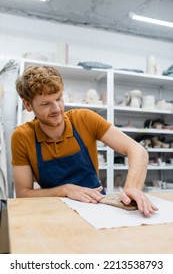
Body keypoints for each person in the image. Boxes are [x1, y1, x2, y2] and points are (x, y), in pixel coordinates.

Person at [11, 65, 158, 217]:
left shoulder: (84, 119)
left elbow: (138, 150)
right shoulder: (22, 136)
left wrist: (132, 188)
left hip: (97, 206)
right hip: (54, 212)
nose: (56, 108)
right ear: (28, 105)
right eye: (46, 103)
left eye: (59, 98)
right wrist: (65, 190)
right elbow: (23, 194)